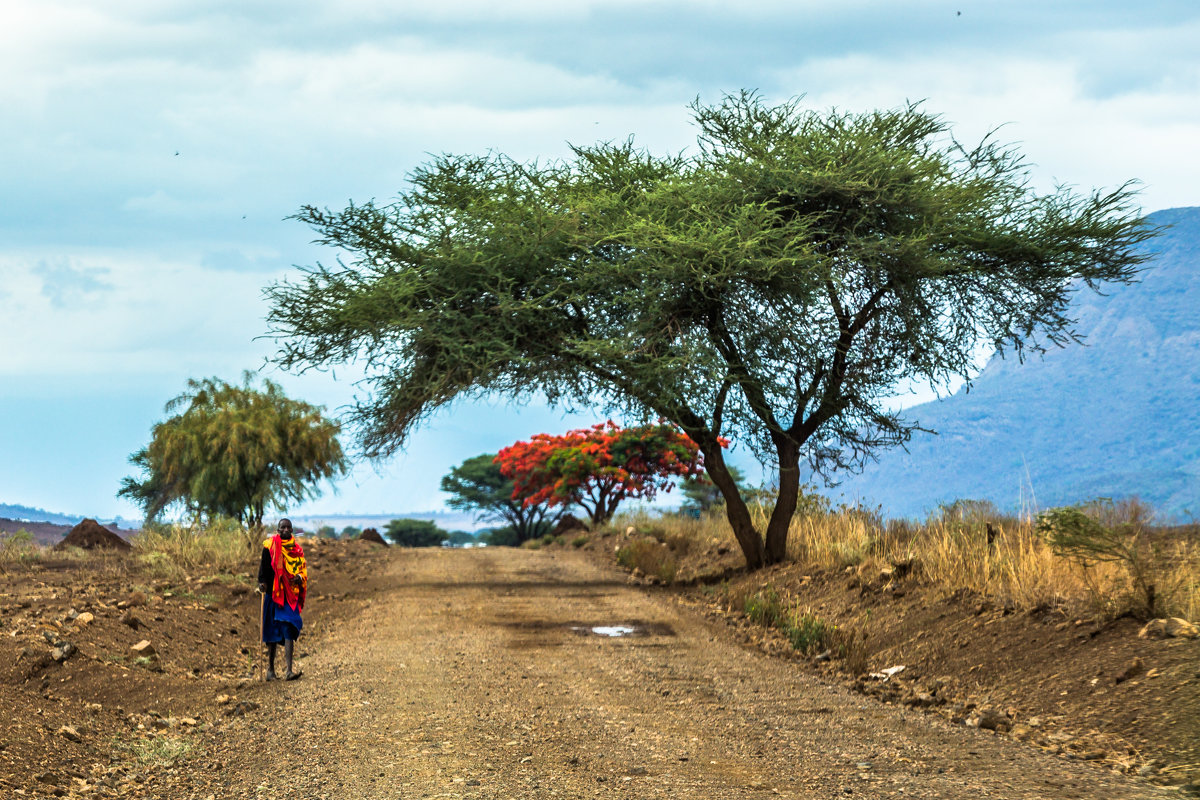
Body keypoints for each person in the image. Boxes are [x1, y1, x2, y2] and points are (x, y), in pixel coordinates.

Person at [257, 518, 307, 681]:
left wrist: (299, 577)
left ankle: (289, 671)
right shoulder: (269, 546)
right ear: (278, 530)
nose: (285, 530)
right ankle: (270, 671)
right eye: (282, 527)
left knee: (289, 628)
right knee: (271, 631)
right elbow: (263, 568)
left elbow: (302, 570)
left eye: (288, 527)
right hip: (272, 593)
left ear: (292, 530)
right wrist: (262, 583)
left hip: (289, 596)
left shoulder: (297, 550)